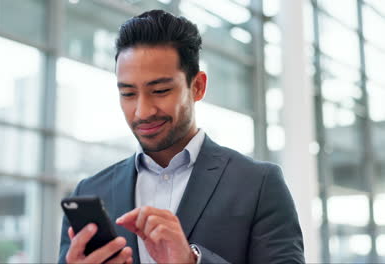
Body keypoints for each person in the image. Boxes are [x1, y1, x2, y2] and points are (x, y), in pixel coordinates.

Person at [58, 9, 305, 264]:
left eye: (161, 90)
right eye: (129, 94)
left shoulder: (259, 184)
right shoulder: (91, 191)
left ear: (197, 86)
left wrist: (191, 261)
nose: (142, 111)